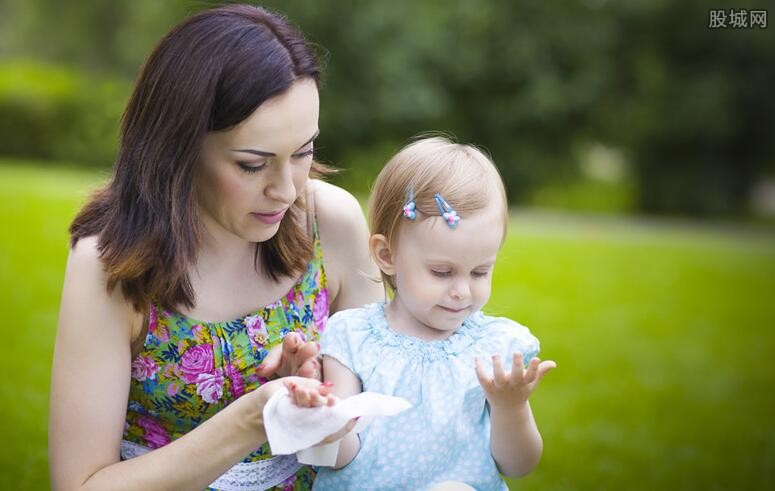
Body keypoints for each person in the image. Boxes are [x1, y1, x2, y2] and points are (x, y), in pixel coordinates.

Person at [48, 4, 382, 490]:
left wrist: (319, 405)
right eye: (252, 164)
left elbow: (382, 420)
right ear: (178, 147)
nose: (287, 190)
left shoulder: (329, 222)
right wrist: (254, 417)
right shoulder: (111, 263)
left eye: (304, 153)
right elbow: (79, 485)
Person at [287, 136, 557, 489]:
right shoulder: (353, 337)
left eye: (480, 271)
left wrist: (511, 407)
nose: (462, 290)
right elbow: (340, 457)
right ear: (386, 255)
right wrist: (326, 422)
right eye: (442, 272)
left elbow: (518, 465)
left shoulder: (494, 348)